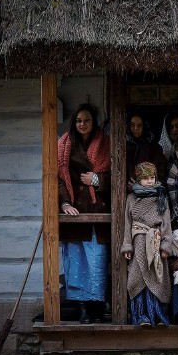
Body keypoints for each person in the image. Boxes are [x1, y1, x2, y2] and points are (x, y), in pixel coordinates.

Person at [58, 103, 111, 324]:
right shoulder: (64, 144)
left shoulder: (106, 143)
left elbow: (116, 172)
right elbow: (59, 179)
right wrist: (64, 204)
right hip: (76, 211)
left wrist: (97, 179)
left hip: (97, 210)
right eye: (79, 120)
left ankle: (97, 307)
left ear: (93, 121)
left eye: (86, 120)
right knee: (77, 262)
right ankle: (83, 310)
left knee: (96, 261)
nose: (82, 124)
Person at [120, 162, 173, 327]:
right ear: (138, 179)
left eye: (152, 178)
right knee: (138, 276)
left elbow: (166, 224)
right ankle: (141, 316)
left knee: (156, 277)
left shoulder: (161, 196)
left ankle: (157, 315)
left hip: (155, 242)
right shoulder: (131, 198)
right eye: (145, 178)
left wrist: (166, 245)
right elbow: (127, 223)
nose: (149, 181)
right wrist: (127, 245)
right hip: (138, 242)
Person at [126, 113, 168, 184]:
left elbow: (162, 172)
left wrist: (149, 183)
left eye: (139, 125)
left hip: (150, 190)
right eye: (132, 125)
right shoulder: (122, 146)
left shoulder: (155, 148)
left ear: (144, 126)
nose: (135, 128)